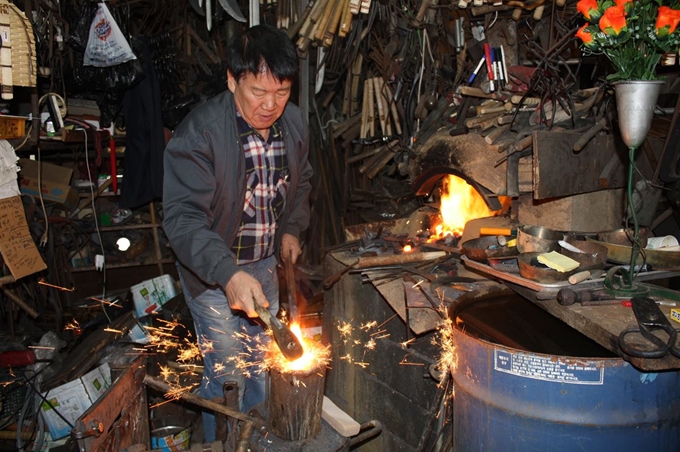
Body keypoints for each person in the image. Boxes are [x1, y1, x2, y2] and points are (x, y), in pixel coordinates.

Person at [162, 24, 312, 442]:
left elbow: (302, 184)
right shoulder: (200, 134)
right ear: (232, 80)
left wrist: (293, 229)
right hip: (213, 272)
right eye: (257, 92)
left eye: (281, 93)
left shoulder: (295, 124)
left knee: (264, 367)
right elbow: (182, 221)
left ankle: (257, 442)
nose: (270, 105)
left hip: (266, 265)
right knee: (230, 374)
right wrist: (227, 274)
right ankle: (221, 443)